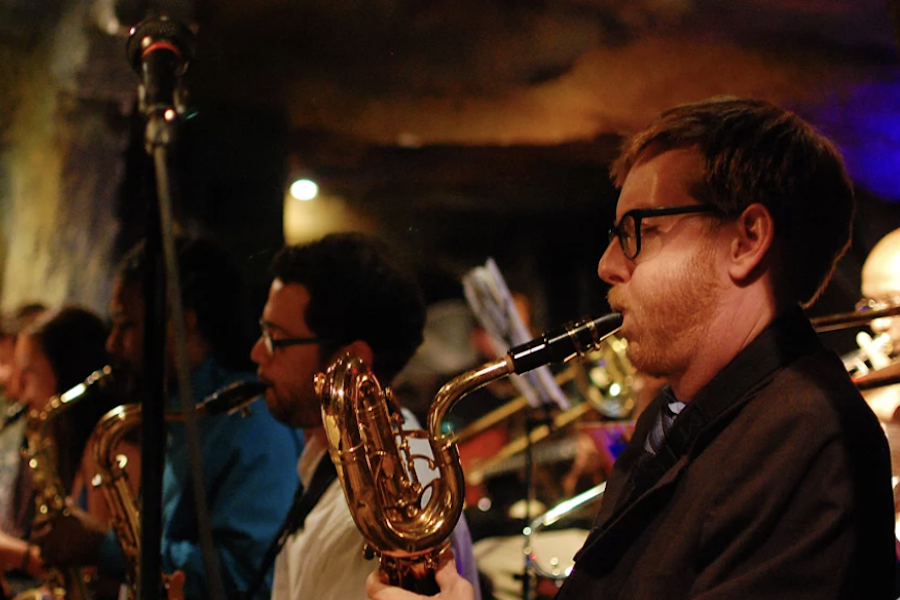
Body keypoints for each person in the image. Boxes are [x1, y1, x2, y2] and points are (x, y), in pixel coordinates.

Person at [366, 96, 897, 600]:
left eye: (638, 230)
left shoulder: (809, 437)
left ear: (746, 240)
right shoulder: (674, 415)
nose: (608, 265)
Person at [34, 237, 305, 600]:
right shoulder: (181, 412)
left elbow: (245, 575)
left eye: (126, 325)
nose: (112, 344)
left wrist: (104, 547)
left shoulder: (250, 422)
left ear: (184, 325)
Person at [250, 232, 481, 600]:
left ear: (351, 362)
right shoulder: (340, 462)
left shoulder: (384, 515)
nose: (257, 354)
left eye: (275, 338)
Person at [0, 306, 131, 598]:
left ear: (64, 372)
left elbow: (102, 585)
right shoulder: (70, 446)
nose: (19, 388)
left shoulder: (111, 449)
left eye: (29, 372)